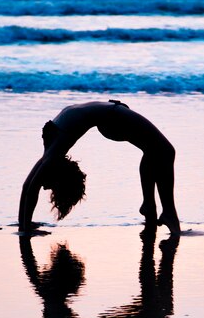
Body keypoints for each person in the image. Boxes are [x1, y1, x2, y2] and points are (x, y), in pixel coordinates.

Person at [18, 100, 181, 236]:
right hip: (112, 116)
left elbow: (31, 186)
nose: (45, 186)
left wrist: (24, 227)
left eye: (49, 185)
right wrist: (24, 227)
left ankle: (152, 207)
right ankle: (164, 211)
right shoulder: (53, 148)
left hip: (113, 116)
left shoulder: (53, 149)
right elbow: (30, 185)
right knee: (163, 151)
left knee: (159, 151)